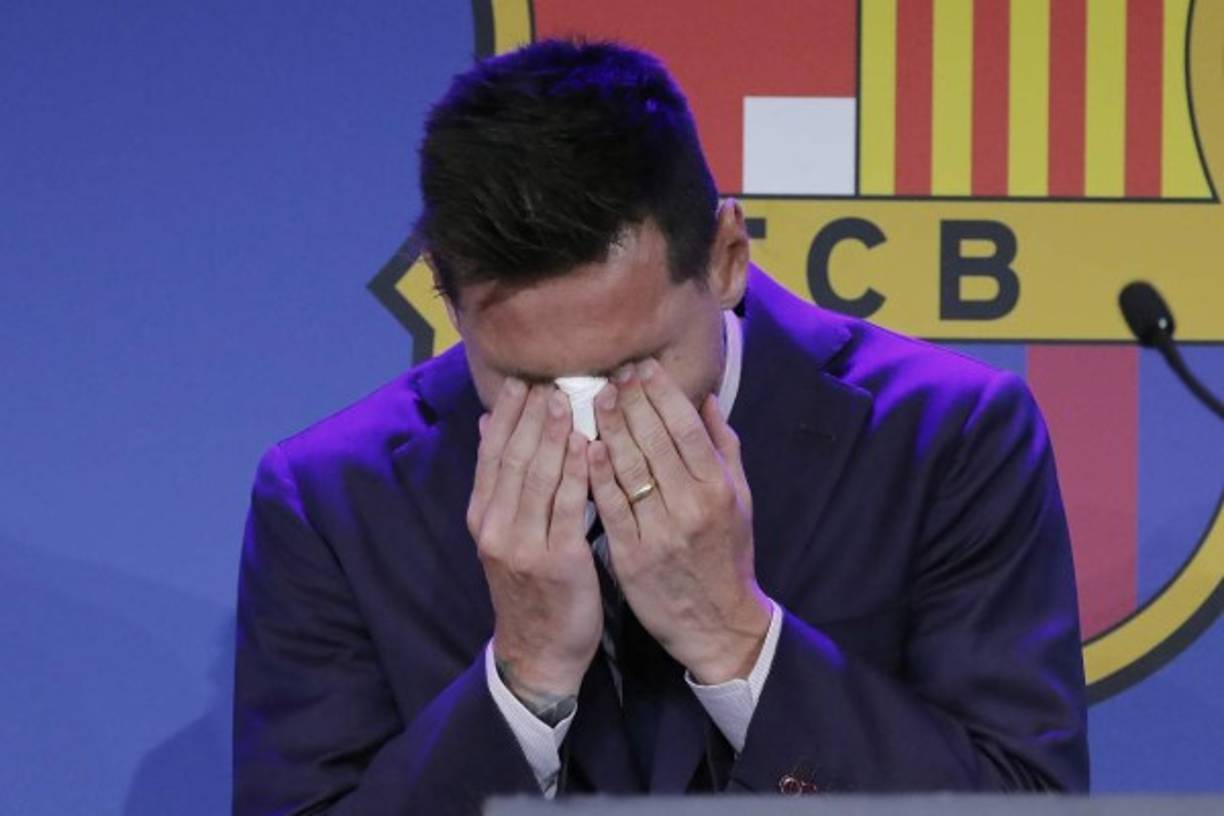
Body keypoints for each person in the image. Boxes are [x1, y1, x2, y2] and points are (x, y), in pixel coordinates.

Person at [233, 40, 1089, 815]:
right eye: (529, 381)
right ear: (444, 298)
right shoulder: (332, 500)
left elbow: (1025, 804)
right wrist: (523, 676)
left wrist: (733, 634)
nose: (587, 421)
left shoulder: (947, 436)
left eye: (632, 368)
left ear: (725, 257)